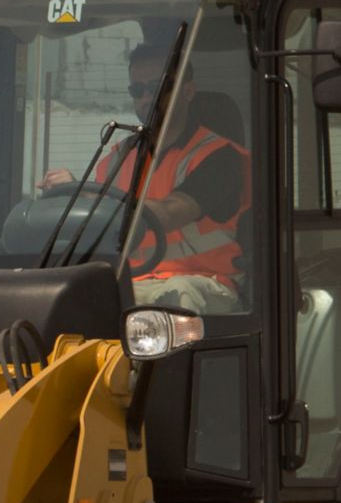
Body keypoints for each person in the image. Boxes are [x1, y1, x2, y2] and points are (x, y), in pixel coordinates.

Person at [48, 41, 254, 313]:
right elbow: (97, 223)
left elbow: (169, 213)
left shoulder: (219, 157)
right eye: (138, 90)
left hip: (203, 281)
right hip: (131, 282)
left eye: (157, 88)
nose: (147, 98)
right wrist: (71, 198)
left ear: (188, 92)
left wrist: (90, 197)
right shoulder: (116, 159)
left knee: (178, 295)